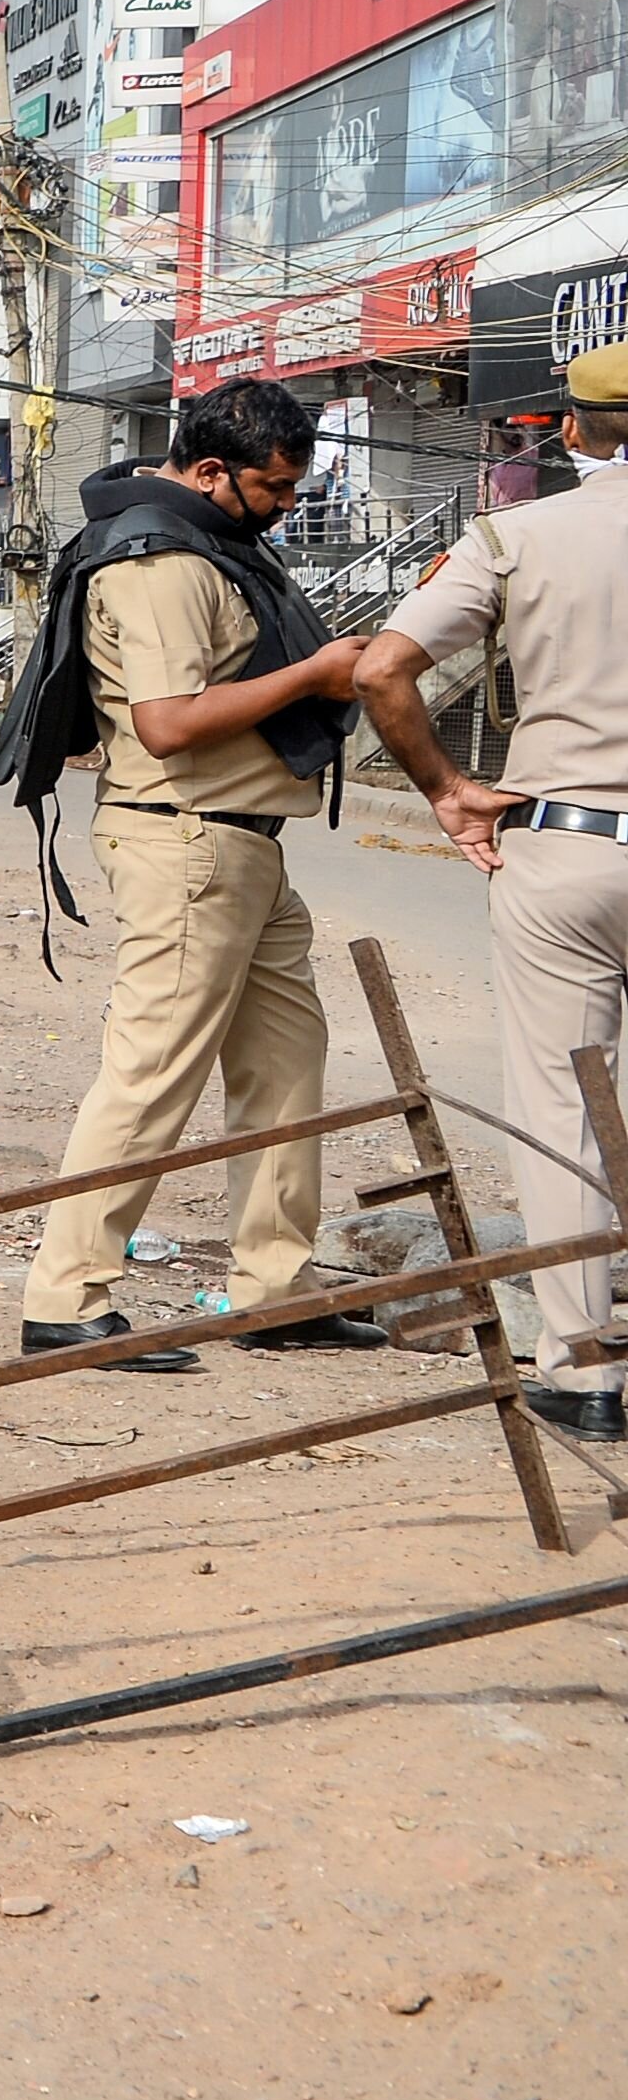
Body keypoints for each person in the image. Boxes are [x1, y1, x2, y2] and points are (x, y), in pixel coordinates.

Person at [6, 379, 382, 1372]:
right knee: (149, 1073)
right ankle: (65, 1299)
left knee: (285, 1065)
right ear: (209, 470)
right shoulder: (158, 561)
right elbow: (167, 723)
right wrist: (312, 676)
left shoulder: (213, 545)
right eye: (273, 487)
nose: (284, 505)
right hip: (184, 840)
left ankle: (273, 1289)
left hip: (242, 843)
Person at [352, 340, 628, 1438]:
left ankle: (583, 1372)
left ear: (569, 430)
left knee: (562, 1104)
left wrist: (447, 790)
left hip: (563, 849)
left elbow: (380, 668)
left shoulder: (514, 537)